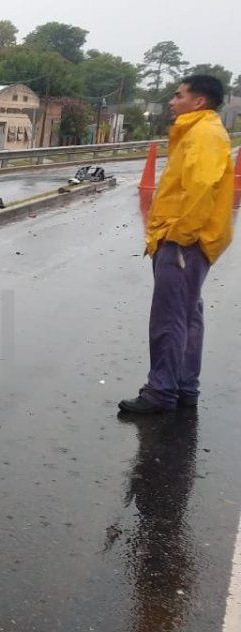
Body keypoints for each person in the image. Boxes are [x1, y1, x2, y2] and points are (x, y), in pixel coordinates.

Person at [119, 75, 235, 414]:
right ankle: (184, 387)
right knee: (187, 314)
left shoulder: (204, 134)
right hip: (190, 240)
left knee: (169, 319)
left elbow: (201, 189)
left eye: (178, 95)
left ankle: (161, 391)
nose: (172, 101)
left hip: (184, 241)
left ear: (199, 101)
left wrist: (178, 236)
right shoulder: (201, 131)